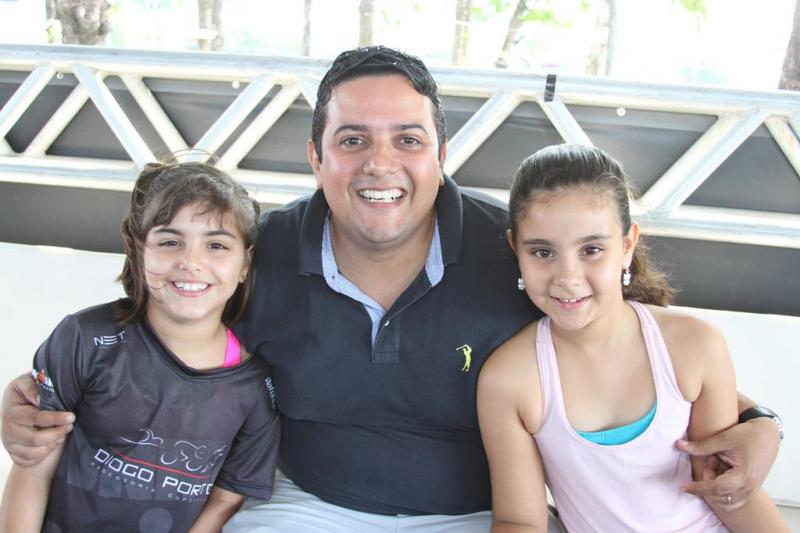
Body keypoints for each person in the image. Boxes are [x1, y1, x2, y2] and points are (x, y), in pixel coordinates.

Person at [0, 47, 784, 532]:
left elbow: (620, 341)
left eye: (407, 139)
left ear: (440, 153)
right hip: (301, 505)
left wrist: (754, 419)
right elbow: (147, 330)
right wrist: (31, 402)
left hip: (475, 514)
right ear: (316, 157)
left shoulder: (516, 252)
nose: (380, 164)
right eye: (352, 140)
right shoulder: (260, 253)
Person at [478, 144, 789, 532]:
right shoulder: (508, 379)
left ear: (626, 246)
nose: (568, 277)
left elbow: (728, 492)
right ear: (516, 250)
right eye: (543, 252)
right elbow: (520, 520)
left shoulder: (695, 345)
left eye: (592, 249)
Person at [0, 161, 280, 532]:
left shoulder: (255, 388)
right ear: (138, 250)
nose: (191, 262)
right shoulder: (85, 339)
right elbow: (33, 469)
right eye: (170, 242)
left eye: (216, 245)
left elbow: (226, 498)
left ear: (245, 263)